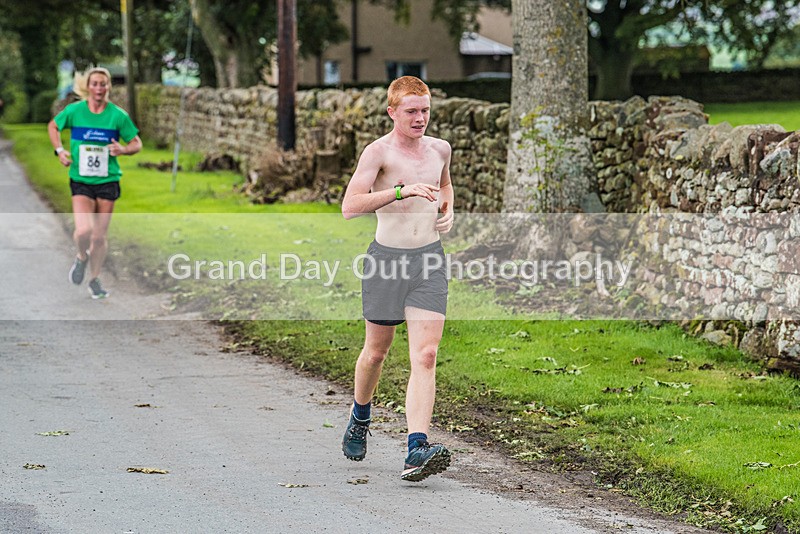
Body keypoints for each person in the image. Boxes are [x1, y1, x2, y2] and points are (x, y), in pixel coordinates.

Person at [340, 76, 455, 482]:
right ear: (392, 112)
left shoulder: (441, 148)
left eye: (425, 110)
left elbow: (444, 183)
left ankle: (416, 448)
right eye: (411, 111)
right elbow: (350, 207)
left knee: (426, 354)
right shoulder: (379, 152)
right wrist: (400, 191)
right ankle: (360, 414)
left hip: (429, 261)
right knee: (376, 352)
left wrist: (448, 209)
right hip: (386, 262)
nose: (420, 118)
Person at [48, 67, 142, 299]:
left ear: (109, 87)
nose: (99, 88)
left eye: (103, 84)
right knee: (84, 230)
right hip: (81, 179)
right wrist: (60, 150)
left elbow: (137, 143)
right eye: (95, 84)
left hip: (108, 180)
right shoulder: (75, 111)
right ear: (88, 87)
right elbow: (53, 126)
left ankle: (94, 279)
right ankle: (82, 257)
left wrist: (123, 149)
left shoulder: (117, 116)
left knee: (99, 236)